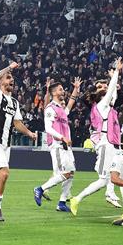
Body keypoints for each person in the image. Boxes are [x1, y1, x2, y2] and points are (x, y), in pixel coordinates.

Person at [0, 62, 37, 221]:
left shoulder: (14, 102)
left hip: (5, 143)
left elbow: (17, 123)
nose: (11, 80)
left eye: (12, 79)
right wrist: (9, 68)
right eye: (8, 78)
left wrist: (29, 133)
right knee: (4, 172)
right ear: (2, 81)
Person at [70, 58, 123, 215]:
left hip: (111, 143)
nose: (109, 95)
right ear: (102, 96)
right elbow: (112, 89)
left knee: (121, 172)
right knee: (104, 179)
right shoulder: (101, 105)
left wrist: (115, 75)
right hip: (106, 144)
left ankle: (115, 196)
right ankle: (77, 199)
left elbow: (113, 93)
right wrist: (117, 72)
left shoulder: (106, 106)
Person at [33, 77, 82, 212]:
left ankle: (61, 202)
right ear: (54, 92)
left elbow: (71, 102)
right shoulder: (50, 108)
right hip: (57, 144)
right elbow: (48, 128)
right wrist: (62, 138)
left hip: (66, 145)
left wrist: (76, 89)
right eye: (60, 89)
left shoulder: (61, 108)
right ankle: (40, 189)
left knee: (71, 173)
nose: (63, 91)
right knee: (64, 173)